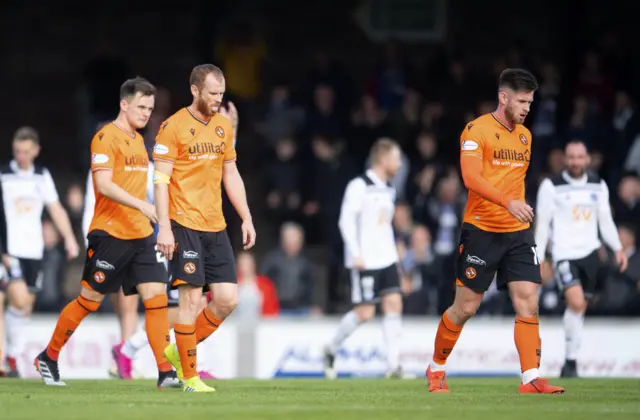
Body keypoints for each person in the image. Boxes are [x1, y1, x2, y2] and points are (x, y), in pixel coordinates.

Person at [34, 77, 180, 388]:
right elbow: (103, 185)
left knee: (156, 300)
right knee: (89, 300)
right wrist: (141, 205)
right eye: (141, 107)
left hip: (142, 235)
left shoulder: (141, 142)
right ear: (124, 104)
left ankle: (165, 371)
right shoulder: (105, 137)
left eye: (150, 108)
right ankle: (49, 356)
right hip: (110, 234)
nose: (146, 113)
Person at [425, 69, 564, 394]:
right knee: (465, 308)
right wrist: (507, 202)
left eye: (530, 102)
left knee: (528, 301)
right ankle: (436, 368)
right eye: (522, 101)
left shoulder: (525, 136)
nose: (527, 108)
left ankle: (530, 378)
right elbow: (471, 178)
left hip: (517, 232)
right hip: (482, 231)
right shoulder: (476, 131)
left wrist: (516, 208)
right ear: (504, 97)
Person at [153, 64, 255, 393]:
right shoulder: (173, 127)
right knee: (190, 302)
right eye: (212, 93)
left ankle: (178, 350)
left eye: (221, 94)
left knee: (226, 300)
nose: (217, 100)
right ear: (195, 91)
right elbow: (160, 182)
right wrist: (164, 228)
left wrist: (246, 216)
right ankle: (190, 377)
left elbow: (231, 175)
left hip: (216, 226)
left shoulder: (223, 126)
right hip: (184, 224)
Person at [534, 140, 627, 378]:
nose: (575, 161)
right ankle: (570, 361)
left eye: (579, 157)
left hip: (591, 254)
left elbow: (605, 220)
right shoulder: (551, 186)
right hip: (564, 254)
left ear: (587, 159)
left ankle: (570, 362)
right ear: (565, 159)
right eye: (571, 157)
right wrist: (539, 255)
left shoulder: (598, 185)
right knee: (575, 302)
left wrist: (617, 247)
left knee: (579, 308)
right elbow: (542, 224)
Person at [323, 138, 408, 379]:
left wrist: (396, 255)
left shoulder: (389, 189)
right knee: (365, 313)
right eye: (396, 158)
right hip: (365, 260)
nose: (399, 163)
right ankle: (330, 348)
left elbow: (386, 226)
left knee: (394, 304)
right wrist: (355, 252)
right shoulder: (359, 185)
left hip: (387, 259)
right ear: (383, 159)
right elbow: (346, 220)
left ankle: (393, 366)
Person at [0, 127, 80, 378]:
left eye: (26, 151)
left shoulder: (41, 176)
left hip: (33, 251)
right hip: (8, 250)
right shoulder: (4, 176)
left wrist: (69, 239)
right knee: (19, 298)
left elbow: (55, 209)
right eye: (17, 151)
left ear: (35, 151)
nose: (21, 156)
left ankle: (12, 356)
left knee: (24, 306)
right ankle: (7, 356)